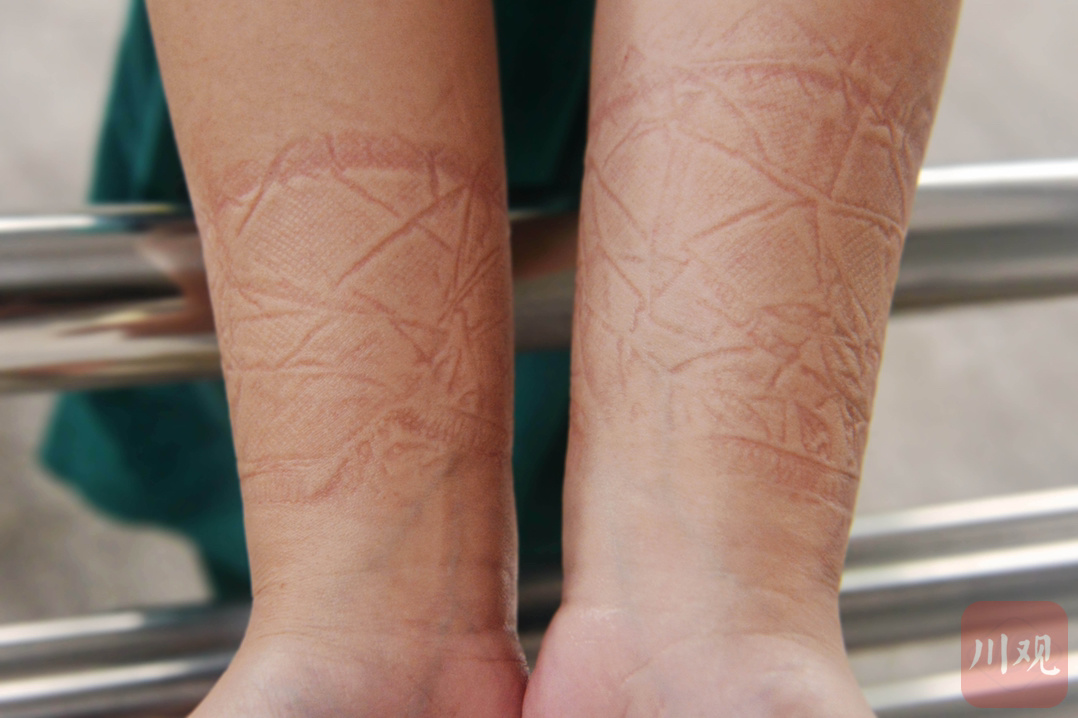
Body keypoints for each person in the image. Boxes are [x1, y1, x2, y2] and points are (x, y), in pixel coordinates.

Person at [60, 0, 962, 715]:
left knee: (623, 567)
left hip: (723, 150)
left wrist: (723, 614)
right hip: (303, 92)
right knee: (324, 568)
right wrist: (361, 624)